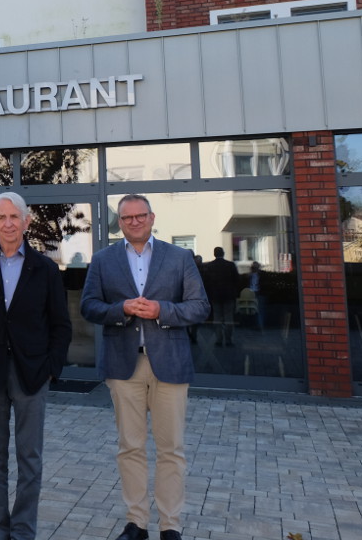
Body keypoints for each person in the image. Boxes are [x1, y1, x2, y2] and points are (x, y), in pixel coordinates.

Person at [79, 195, 210, 540]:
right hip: (124, 366)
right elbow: (89, 306)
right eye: (126, 218)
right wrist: (121, 308)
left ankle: (170, 526)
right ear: (119, 222)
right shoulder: (104, 259)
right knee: (130, 447)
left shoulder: (179, 257)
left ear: (152, 217)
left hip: (170, 363)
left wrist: (161, 311)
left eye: (140, 216)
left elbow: (200, 307)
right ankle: (136, 523)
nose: (134, 222)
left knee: (171, 450)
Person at [0, 192, 71, 540]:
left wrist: (52, 367)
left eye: (13, 217)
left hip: (31, 376)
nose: (7, 223)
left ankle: (22, 532)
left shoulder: (46, 269)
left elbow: (61, 326)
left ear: (26, 221)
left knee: (29, 460)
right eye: (1, 218)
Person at [203, 247, 240, 346]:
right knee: (229, 318)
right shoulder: (230, 265)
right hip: (228, 295)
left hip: (215, 296)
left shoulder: (210, 266)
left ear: (214, 254)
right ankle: (228, 340)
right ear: (223, 253)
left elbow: (206, 282)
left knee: (217, 318)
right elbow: (236, 280)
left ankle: (219, 339)